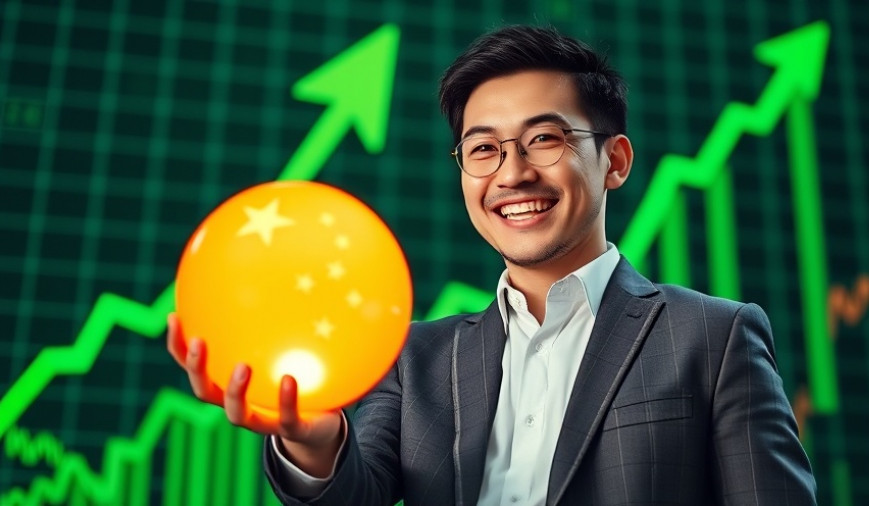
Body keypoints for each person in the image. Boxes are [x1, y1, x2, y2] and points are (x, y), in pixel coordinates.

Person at [167, 25, 817, 505]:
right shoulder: (418, 357)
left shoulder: (714, 337)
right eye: (482, 149)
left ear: (615, 161)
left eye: (544, 138)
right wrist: (313, 442)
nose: (511, 173)